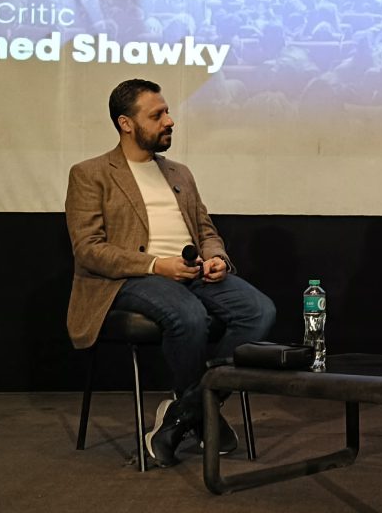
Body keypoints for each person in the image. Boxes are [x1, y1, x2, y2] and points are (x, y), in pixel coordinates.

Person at [65, 79, 275, 468]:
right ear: (126, 124)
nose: (169, 120)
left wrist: (216, 259)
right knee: (189, 315)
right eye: (157, 115)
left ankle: (183, 413)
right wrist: (155, 265)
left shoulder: (179, 173)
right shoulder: (91, 174)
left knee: (259, 311)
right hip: (129, 280)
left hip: (192, 273)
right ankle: (201, 414)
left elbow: (206, 232)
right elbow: (89, 249)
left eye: (167, 112)